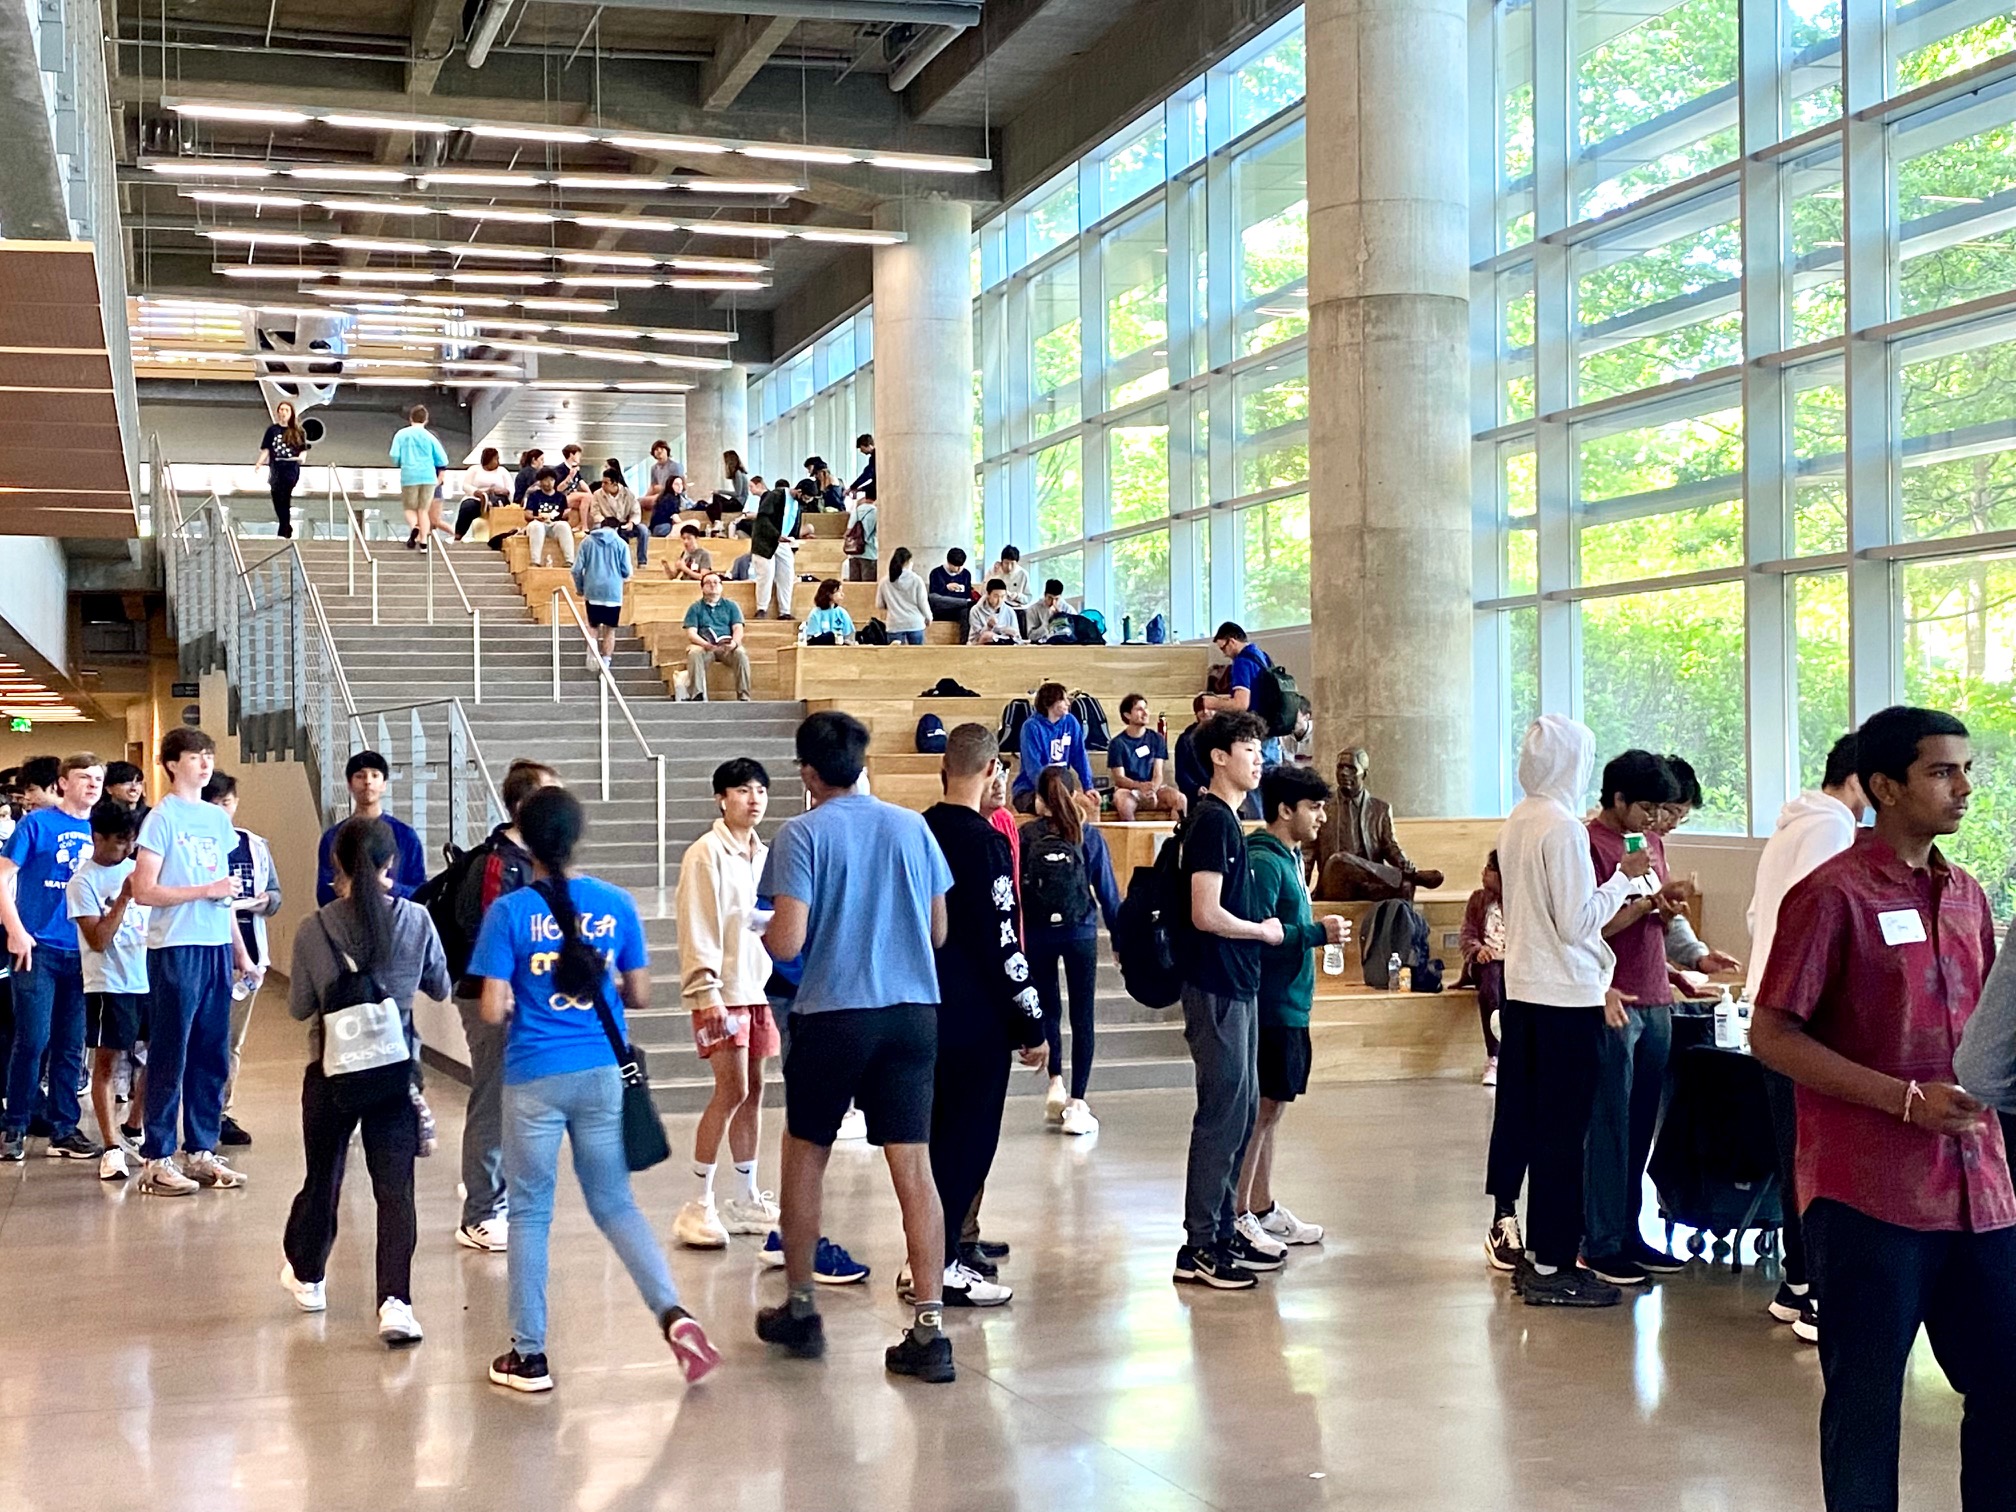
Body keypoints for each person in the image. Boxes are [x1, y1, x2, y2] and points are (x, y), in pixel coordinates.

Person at [1751, 706, 2014, 1512]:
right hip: (1872, 1195)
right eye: (1942, 772)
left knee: (2006, 1389)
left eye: (1967, 769)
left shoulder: (1967, 895)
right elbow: (1772, 1034)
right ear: (1884, 787)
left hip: (1983, 1191)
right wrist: (1901, 1101)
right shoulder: (1831, 896)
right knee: (1867, 1407)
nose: (1964, 788)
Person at [468, 787, 719, 1391]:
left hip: (533, 1077)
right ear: (577, 837)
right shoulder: (616, 904)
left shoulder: (508, 913)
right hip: (602, 1073)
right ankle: (673, 1313)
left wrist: (528, 988)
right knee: (614, 1205)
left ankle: (528, 1357)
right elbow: (639, 995)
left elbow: (493, 1008)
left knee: (529, 1213)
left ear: (525, 840)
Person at [752, 711, 959, 1382]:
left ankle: (803, 1308)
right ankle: (929, 1329)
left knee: (806, 1153)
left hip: (834, 1013)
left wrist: (760, 938)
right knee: (914, 1166)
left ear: (808, 773)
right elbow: (937, 931)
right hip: (914, 1013)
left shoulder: (800, 834)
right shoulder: (913, 826)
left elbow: (786, 941)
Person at [1488, 714, 1647, 1303]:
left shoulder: (1518, 820)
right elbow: (1578, 920)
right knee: (1565, 1134)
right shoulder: (1562, 828)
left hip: (1525, 991)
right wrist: (1624, 881)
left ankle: (1539, 1254)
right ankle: (1555, 1264)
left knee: (1535, 1126)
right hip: (1565, 998)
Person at [279, 816, 451, 1346]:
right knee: (394, 1189)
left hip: (330, 1071)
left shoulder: (315, 928)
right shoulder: (417, 920)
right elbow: (441, 986)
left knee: (324, 1176)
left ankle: (309, 1276)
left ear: (337, 866)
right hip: (396, 1074)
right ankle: (396, 1303)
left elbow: (298, 1006)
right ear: (390, 865)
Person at [1741, 730, 1864, 1345]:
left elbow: (1758, 917)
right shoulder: (1833, 829)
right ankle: (1817, 1290)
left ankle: (1796, 1283)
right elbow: (1825, 928)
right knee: (1815, 1157)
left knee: (1795, 1156)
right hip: (1801, 1019)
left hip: (1770, 1008)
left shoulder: (1791, 824)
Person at [914, 724, 1044, 1308]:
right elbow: (1003, 943)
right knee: (966, 1142)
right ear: (993, 769)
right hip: (974, 1018)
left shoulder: (916, 831)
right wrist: (1031, 1023)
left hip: (920, 1006)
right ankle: (940, 1265)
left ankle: (926, 1258)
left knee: (932, 1140)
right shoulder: (984, 841)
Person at [1172, 711, 1285, 1289]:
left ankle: (1221, 1231)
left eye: (1261, 747)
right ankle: (1199, 1245)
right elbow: (1204, 912)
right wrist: (1261, 930)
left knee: (1240, 1111)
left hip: (1236, 983)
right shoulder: (1213, 823)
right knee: (1222, 1113)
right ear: (1219, 757)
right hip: (1214, 985)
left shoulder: (1229, 821)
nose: (1258, 757)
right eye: (1248, 747)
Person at [1580, 749, 1698, 1288]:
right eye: (1646, 808)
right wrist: (1645, 904)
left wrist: (1671, 916)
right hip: (1612, 997)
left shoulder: (1648, 844)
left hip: (1654, 994)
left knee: (1640, 1125)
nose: (1654, 821)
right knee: (1608, 1123)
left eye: (1662, 810)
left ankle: (1630, 1231)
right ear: (1618, 799)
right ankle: (1598, 1240)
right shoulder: (1586, 843)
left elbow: (1657, 914)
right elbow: (1588, 930)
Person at [432, 758, 557, 1253]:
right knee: (494, 1098)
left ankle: (497, 1195)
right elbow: (493, 937)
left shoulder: (540, 861)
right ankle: (480, 1211)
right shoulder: (498, 864)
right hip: (493, 1000)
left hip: (528, 1001)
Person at [130, 727, 259, 1196]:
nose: (204, 764)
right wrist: (202, 892)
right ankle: (157, 1157)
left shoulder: (216, 820)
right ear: (170, 764)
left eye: (208, 756)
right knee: (171, 1050)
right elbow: (144, 890)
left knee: (211, 1050)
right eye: (193, 757)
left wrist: (241, 951)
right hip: (176, 947)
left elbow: (223, 892)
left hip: (216, 948)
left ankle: (201, 1149)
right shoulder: (160, 820)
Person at [1237, 764, 1349, 1254]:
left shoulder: (1291, 858)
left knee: (1274, 1108)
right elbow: (1260, 938)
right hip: (1270, 1006)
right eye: (1314, 807)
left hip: (1292, 1005)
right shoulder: (1264, 862)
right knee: (1260, 1110)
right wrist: (1315, 934)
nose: (1322, 816)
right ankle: (1238, 1213)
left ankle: (1261, 1205)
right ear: (1285, 810)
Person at [673, 759, 783, 1250]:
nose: (753, 799)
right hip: (720, 993)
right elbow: (697, 923)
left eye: (760, 790)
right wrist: (706, 989)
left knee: (754, 1090)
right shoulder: (705, 854)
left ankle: (745, 1196)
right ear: (722, 798)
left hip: (758, 989)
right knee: (730, 1089)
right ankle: (698, 1201)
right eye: (742, 790)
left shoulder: (765, 853)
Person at [0, 751, 103, 1162]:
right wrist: (16, 931)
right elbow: (2, 876)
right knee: (33, 1039)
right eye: (83, 776)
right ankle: (16, 1125)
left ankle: (64, 1128)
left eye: (98, 777)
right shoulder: (36, 824)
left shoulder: (100, 830)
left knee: (70, 1045)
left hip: (81, 952)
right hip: (37, 949)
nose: (92, 784)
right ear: (63, 782)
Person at [1023, 765, 1121, 1135]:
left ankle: (1055, 1083)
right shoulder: (1089, 836)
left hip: (1037, 935)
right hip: (1079, 933)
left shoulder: (1026, 836)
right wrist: (1120, 942)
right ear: (1075, 793)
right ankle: (1078, 1103)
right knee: (1082, 1017)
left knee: (1048, 1007)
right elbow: (1109, 895)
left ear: (1039, 799)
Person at [67, 797, 149, 1181]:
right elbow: (98, 939)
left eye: (130, 841)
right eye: (118, 841)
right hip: (108, 983)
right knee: (107, 1061)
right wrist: (124, 898)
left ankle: (135, 1125)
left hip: (148, 979)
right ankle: (111, 1145)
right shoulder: (82, 882)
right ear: (97, 838)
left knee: (157, 1056)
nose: (125, 849)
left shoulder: (139, 868)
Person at [205, 772, 281, 1148]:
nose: (222, 810)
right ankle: (190, 1110)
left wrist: (265, 901)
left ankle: (220, 1110)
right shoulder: (196, 846)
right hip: (204, 952)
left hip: (250, 953)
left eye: (227, 802)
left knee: (232, 1041)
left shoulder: (254, 845)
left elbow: (275, 894)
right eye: (214, 803)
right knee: (199, 1038)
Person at [1313, 748, 1446, 900]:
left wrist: (1403, 863)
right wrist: (1301, 894)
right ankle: (1411, 876)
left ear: (1364, 774)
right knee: (1339, 859)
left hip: (1368, 883)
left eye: (1351, 768)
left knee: (1406, 886)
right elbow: (1307, 855)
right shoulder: (1323, 808)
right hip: (1335, 885)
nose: (1344, 773)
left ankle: (1406, 878)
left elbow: (1390, 846)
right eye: (1340, 767)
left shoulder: (1380, 809)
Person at [316, 751, 427, 906]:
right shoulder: (333, 836)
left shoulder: (406, 835)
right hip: (346, 921)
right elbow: (322, 893)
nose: (367, 782)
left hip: (396, 921)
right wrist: (339, 888)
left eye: (375, 775)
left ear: (384, 784)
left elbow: (421, 892)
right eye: (360, 776)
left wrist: (389, 886)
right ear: (349, 784)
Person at [1012, 683, 1097, 816]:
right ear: (1049, 703)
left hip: (1062, 788)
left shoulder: (1071, 722)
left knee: (1091, 804)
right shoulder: (1031, 727)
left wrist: (1088, 786)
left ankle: (1086, 837)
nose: (1068, 703)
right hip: (1032, 790)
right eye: (1063, 699)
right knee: (1052, 808)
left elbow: (1080, 756)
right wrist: (1053, 792)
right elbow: (1033, 767)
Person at [1459, 852, 1506, 1087]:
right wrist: (1478, 950)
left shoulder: (1520, 900)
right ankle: (1494, 1057)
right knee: (1491, 983)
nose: (1483, 873)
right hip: (1486, 963)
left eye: (1490, 868)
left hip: (1515, 962)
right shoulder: (1478, 900)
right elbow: (1467, 934)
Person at [1107, 694, 1186, 821]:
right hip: (1129, 789)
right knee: (1124, 803)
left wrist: (1152, 789)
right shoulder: (1117, 743)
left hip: (1153, 787)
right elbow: (1119, 778)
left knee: (1180, 799)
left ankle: (1175, 838)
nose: (1145, 713)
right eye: (1139, 709)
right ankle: (1132, 839)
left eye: (1145, 708)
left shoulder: (1157, 739)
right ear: (1127, 715)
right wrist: (1139, 787)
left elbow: (1158, 773)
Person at [572, 513, 633, 671]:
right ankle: (605, 663)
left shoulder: (587, 542)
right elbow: (626, 571)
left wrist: (580, 588)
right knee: (609, 630)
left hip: (592, 590)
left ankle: (592, 651)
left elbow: (576, 569)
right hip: (613, 592)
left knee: (593, 625)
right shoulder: (621, 544)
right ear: (616, 528)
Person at [682, 572, 753, 702]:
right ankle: (696, 694)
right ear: (702, 588)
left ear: (721, 586)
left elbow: (738, 628)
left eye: (716, 582)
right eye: (708, 583)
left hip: (726, 646)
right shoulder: (695, 607)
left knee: (741, 653)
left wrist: (734, 643)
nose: (713, 585)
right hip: (705, 646)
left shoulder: (732, 606)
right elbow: (691, 633)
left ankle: (744, 696)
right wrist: (705, 644)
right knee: (694, 652)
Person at [389, 405, 450, 552]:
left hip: (409, 475)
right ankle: (423, 543)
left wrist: (400, 463)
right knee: (423, 510)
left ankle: (415, 526)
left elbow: (394, 455)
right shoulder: (430, 436)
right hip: (428, 477)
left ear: (410, 418)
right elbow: (442, 459)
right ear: (426, 420)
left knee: (410, 508)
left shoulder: (401, 434)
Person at [257, 400, 310, 539]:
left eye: (286, 410)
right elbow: (267, 449)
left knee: (284, 496)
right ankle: (286, 524)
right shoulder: (272, 430)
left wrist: (301, 458)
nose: (283, 413)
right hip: (276, 468)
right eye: (281, 410)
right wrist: (259, 463)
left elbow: (303, 449)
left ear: (291, 413)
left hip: (290, 468)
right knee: (276, 497)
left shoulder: (298, 432)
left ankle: (284, 529)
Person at [750, 476, 800, 620]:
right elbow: (763, 519)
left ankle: (785, 611)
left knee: (787, 576)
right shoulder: (775, 496)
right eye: (807, 497)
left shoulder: (798, 503)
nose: (808, 501)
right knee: (766, 575)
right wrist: (776, 535)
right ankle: (761, 608)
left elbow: (794, 523)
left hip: (784, 542)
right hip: (767, 541)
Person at [454, 447, 513, 541]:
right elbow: (466, 485)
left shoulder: (503, 471)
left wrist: (499, 491)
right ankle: (459, 534)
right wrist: (478, 492)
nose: (498, 461)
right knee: (467, 507)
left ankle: (488, 504)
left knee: (498, 501)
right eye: (495, 459)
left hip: (497, 498)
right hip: (477, 498)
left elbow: (510, 488)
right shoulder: (474, 469)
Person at [522, 466, 576, 568]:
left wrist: (568, 514)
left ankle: (569, 561)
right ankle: (535, 561)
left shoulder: (561, 497)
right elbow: (527, 514)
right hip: (538, 523)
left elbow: (565, 514)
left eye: (551, 480)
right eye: (546, 480)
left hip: (554, 524)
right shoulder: (534, 496)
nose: (549, 483)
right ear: (540, 481)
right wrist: (536, 517)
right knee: (536, 526)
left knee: (564, 525)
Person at [595, 462, 647, 565]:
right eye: (602, 482)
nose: (602, 485)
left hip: (625, 523)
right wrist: (604, 521)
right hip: (606, 524)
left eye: (606, 483)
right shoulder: (597, 494)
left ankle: (642, 561)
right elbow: (595, 512)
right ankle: (603, 562)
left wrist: (631, 522)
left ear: (614, 483)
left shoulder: (628, 494)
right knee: (596, 529)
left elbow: (635, 511)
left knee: (643, 530)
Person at [877, 546, 931, 645]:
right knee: (917, 656)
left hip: (894, 624)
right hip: (915, 623)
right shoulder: (916, 580)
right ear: (907, 562)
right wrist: (929, 617)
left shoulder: (885, 581)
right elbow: (922, 603)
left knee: (896, 658)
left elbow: (879, 604)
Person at [928, 548, 979, 633]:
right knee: (934, 598)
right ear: (949, 563)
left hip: (959, 608)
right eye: (956, 566)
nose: (959, 569)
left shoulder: (966, 574)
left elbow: (967, 594)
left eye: (961, 566)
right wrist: (945, 587)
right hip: (941, 609)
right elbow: (934, 597)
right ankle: (965, 603)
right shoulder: (936, 573)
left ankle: (965, 643)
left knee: (966, 612)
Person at [1173, 694, 1210, 804]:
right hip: (1197, 795)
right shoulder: (1185, 739)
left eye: (1210, 708)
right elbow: (1181, 773)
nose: (1206, 712)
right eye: (1201, 709)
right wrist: (1196, 789)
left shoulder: (1227, 737)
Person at [966, 579, 1024, 645]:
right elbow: (976, 637)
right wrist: (988, 627)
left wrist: (1011, 633)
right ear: (988, 594)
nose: (999, 600)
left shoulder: (1010, 611)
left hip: (1004, 644)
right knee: (987, 636)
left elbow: (1018, 638)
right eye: (996, 596)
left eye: (1002, 596)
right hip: (980, 644)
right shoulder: (975, 610)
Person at [799, 579, 856, 645]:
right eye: (838, 591)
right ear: (829, 594)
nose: (842, 594)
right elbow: (812, 638)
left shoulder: (842, 613)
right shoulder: (815, 614)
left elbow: (849, 637)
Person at [709, 448, 751, 529]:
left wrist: (719, 491)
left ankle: (718, 523)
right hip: (736, 502)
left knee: (716, 497)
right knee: (710, 507)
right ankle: (717, 523)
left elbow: (737, 493)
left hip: (738, 504)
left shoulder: (738, 473)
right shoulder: (739, 473)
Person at [641, 439, 684, 517]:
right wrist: (645, 497)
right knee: (640, 501)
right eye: (656, 449)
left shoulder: (675, 466)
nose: (659, 451)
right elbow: (653, 486)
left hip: (671, 496)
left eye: (662, 449)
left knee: (654, 501)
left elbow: (678, 488)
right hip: (660, 495)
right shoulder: (654, 468)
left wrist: (661, 489)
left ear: (667, 451)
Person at [844, 492, 878, 583]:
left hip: (854, 552)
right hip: (869, 553)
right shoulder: (875, 512)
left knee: (855, 586)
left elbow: (849, 530)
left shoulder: (856, 511)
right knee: (868, 586)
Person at [650, 473, 691, 537]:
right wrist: (684, 526)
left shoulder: (675, 497)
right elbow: (675, 518)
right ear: (670, 485)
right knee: (693, 523)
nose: (680, 486)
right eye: (676, 484)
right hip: (661, 528)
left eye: (681, 484)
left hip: (661, 527)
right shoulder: (669, 498)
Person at [847, 433, 876, 501]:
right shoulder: (874, 457)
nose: (861, 450)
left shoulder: (874, 457)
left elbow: (867, 474)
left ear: (866, 444)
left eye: (861, 447)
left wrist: (853, 487)